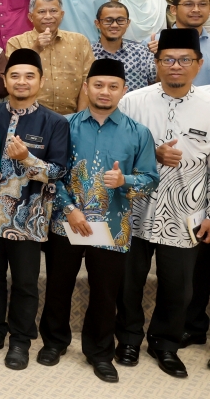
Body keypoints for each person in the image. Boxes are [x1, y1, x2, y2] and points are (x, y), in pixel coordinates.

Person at [37, 57, 158, 383]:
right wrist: (70, 209)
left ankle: (100, 352)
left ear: (123, 90)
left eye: (112, 86)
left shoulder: (138, 133)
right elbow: (54, 172)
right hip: (68, 221)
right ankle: (54, 342)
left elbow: (150, 179)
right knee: (59, 285)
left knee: (105, 292)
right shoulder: (65, 125)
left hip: (112, 226)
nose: (105, 91)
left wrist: (125, 182)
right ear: (87, 86)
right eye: (99, 84)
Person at [115, 28, 210, 378]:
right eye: (168, 59)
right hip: (135, 208)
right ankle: (127, 338)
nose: (176, 66)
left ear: (198, 65)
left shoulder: (209, 105)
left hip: (186, 213)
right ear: (156, 63)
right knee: (129, 281)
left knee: (178, 285)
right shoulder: (132, 102)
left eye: (185, 60)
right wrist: (150, 154)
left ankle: (165, 344)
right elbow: (115, 152)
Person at [0, 48, 69, 370]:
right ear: (5, 79)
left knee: (26, 282)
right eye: (15, 75)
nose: (22, 81)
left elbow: (58, 172)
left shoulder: (55, 123)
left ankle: (20, 339)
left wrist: (27, 158)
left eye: (30, 76)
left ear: (40, 81)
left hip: (29, 219)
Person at [5, 0, 93, 115]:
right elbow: (15, 78)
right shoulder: (16, 42)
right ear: (30, 17)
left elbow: (88, 81)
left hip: (70, 117)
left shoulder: (79, 41)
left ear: (62, 14)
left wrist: (79, 118)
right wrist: (35, 49)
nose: (48, 16)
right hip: (30, 117)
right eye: (41, 12)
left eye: (53, 11)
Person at [91, 2, 158, 92]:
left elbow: (159, 79)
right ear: (97, 23)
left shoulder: (141, 52)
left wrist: (161, 56)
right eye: (108, 20)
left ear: (128, 23)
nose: (114, 25)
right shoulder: (88, 53)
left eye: (120, 20)